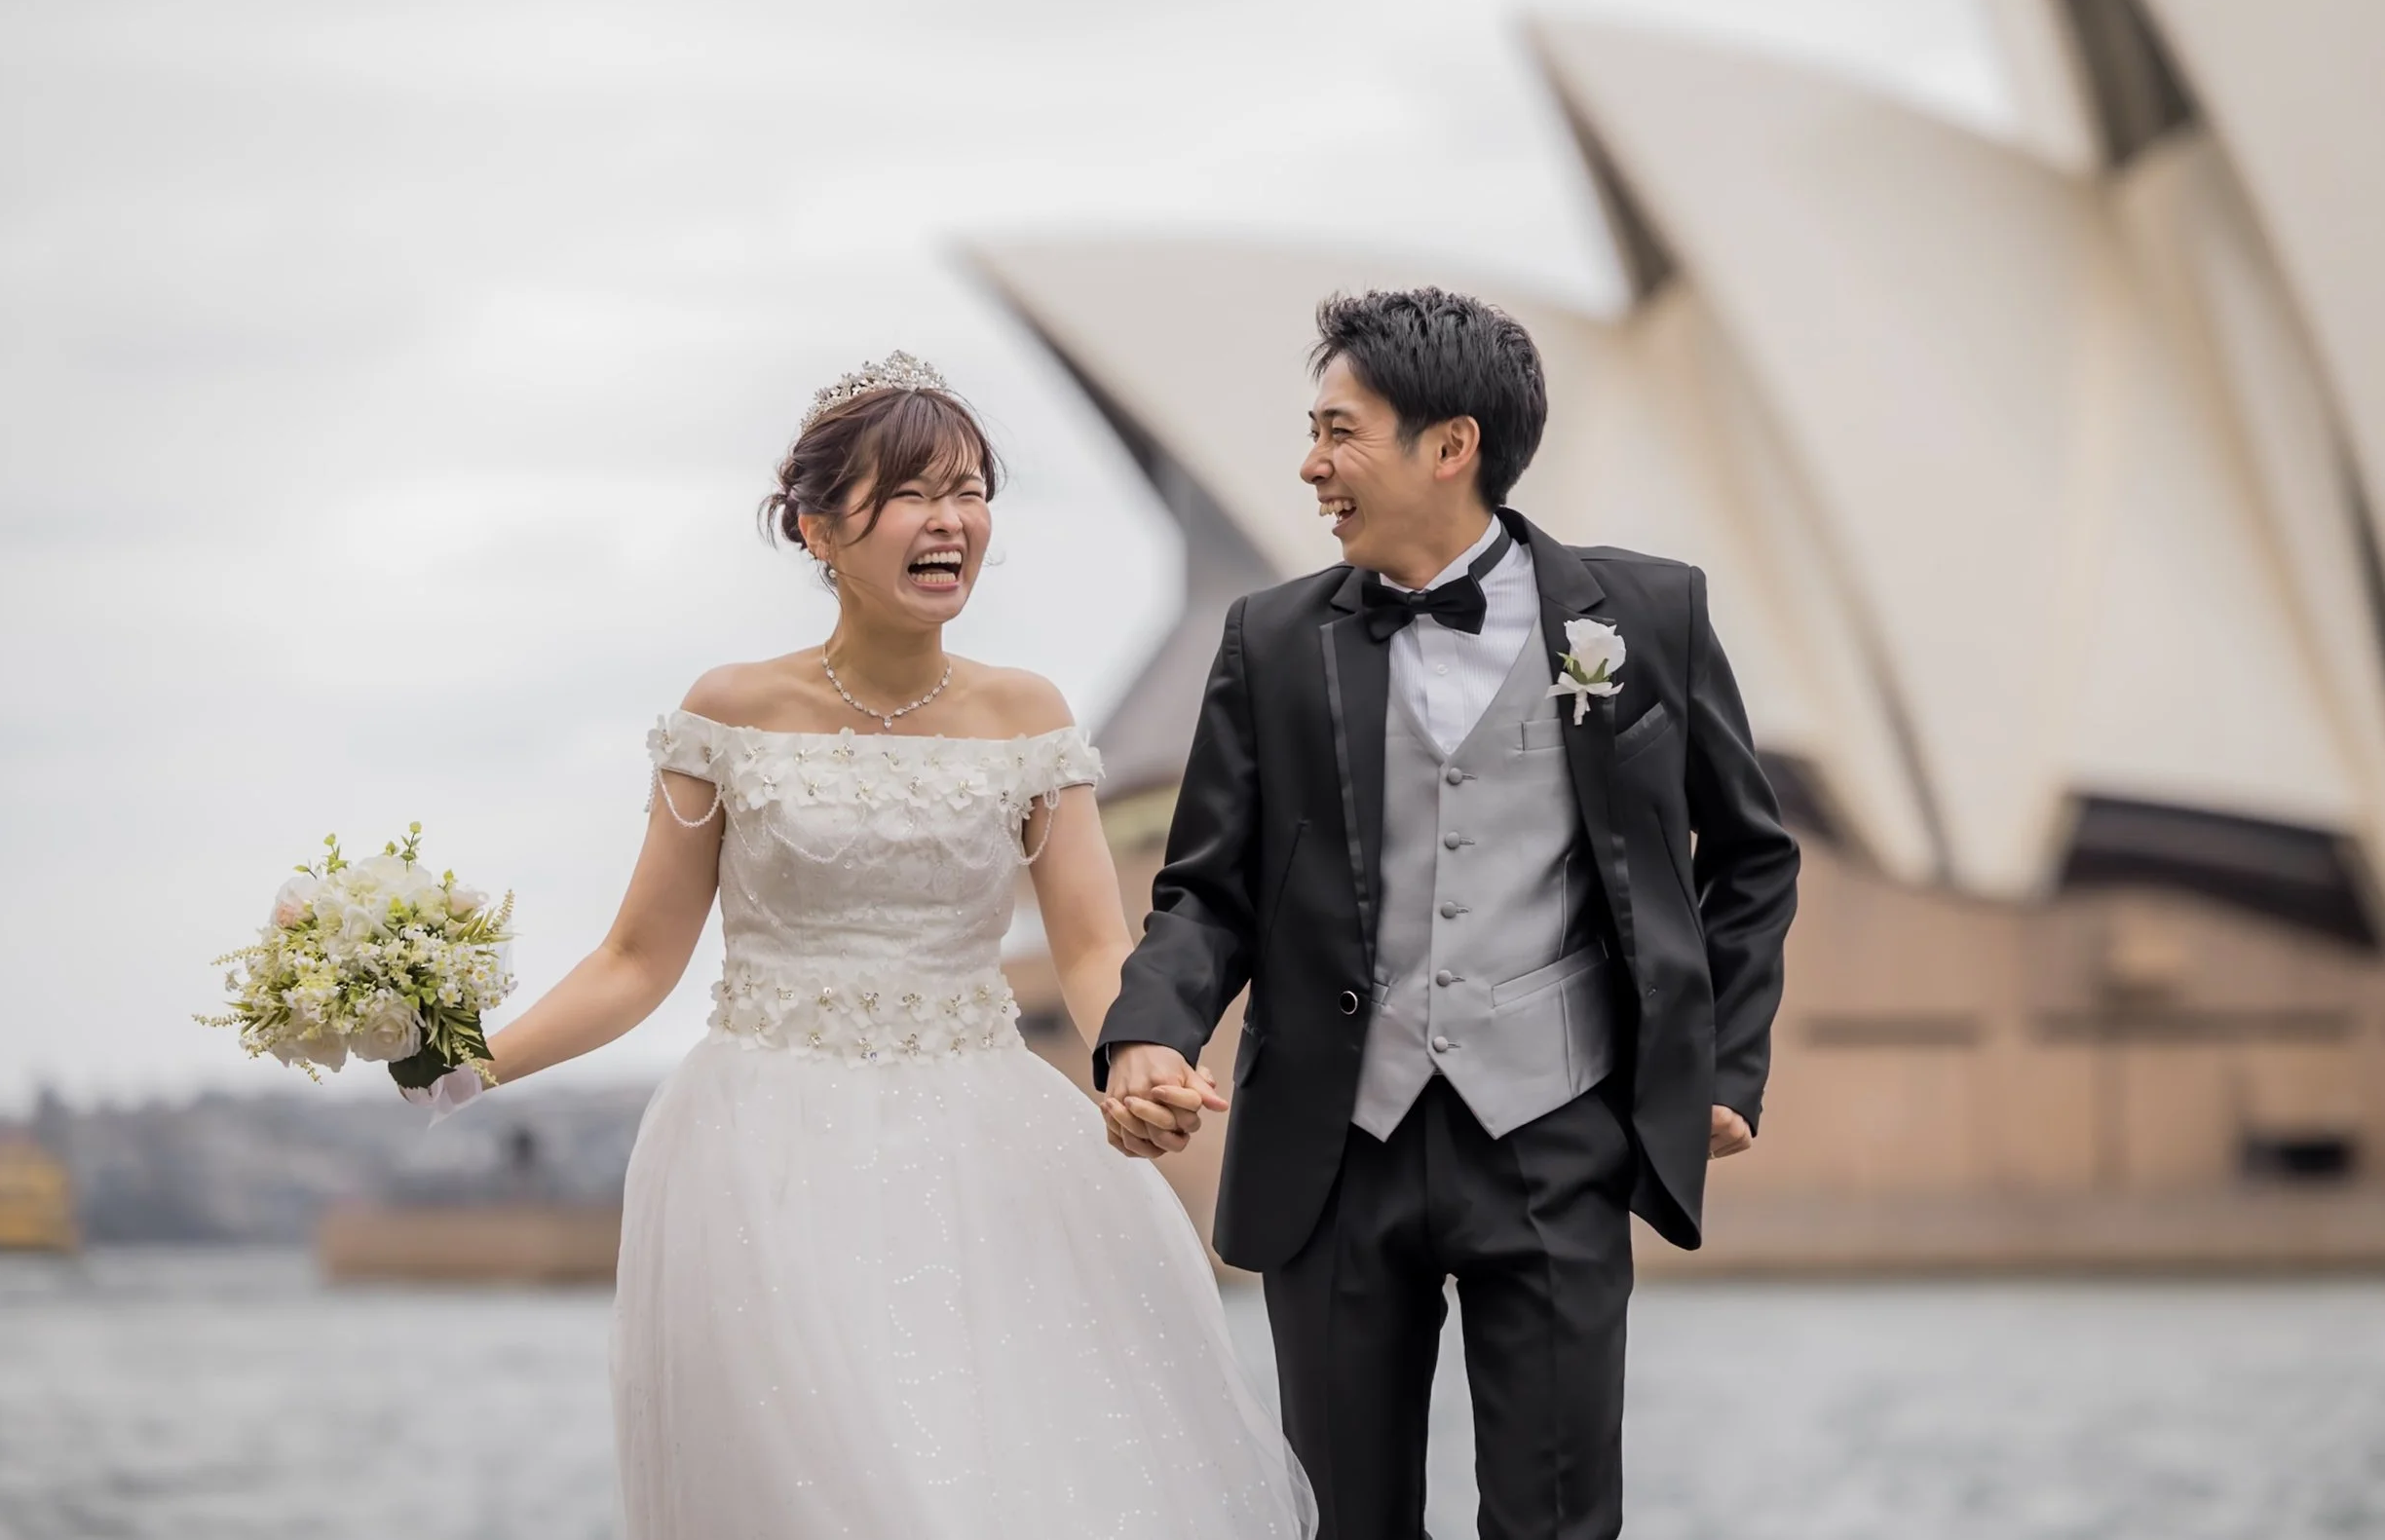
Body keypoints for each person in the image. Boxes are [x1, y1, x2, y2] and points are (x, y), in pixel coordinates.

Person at [413, 353, 1314, 1540]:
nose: (950, 520)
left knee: (984, 1485)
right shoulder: (728, 714)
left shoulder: (1029, 716)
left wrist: (1136, 1052)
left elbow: (1097, 951)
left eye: (971, 489)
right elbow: (637, 960)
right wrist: (467, 1057)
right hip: (760, 1152)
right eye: (908, 493)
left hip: (984, 1146)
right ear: (816, 528)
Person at [1097, 290, 1800, 1539]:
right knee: (1345, 1520)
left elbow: (1749, 858)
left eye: (1337, 430)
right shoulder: (1268, 641)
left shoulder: (1643, 619)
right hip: (1334, 1142)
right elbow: (1207, 887)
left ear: (1450, 443)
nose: (1310, 465)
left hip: (1557, 1133)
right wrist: (1150, 1031)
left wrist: (1725, 1062)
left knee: (1557, 1519)